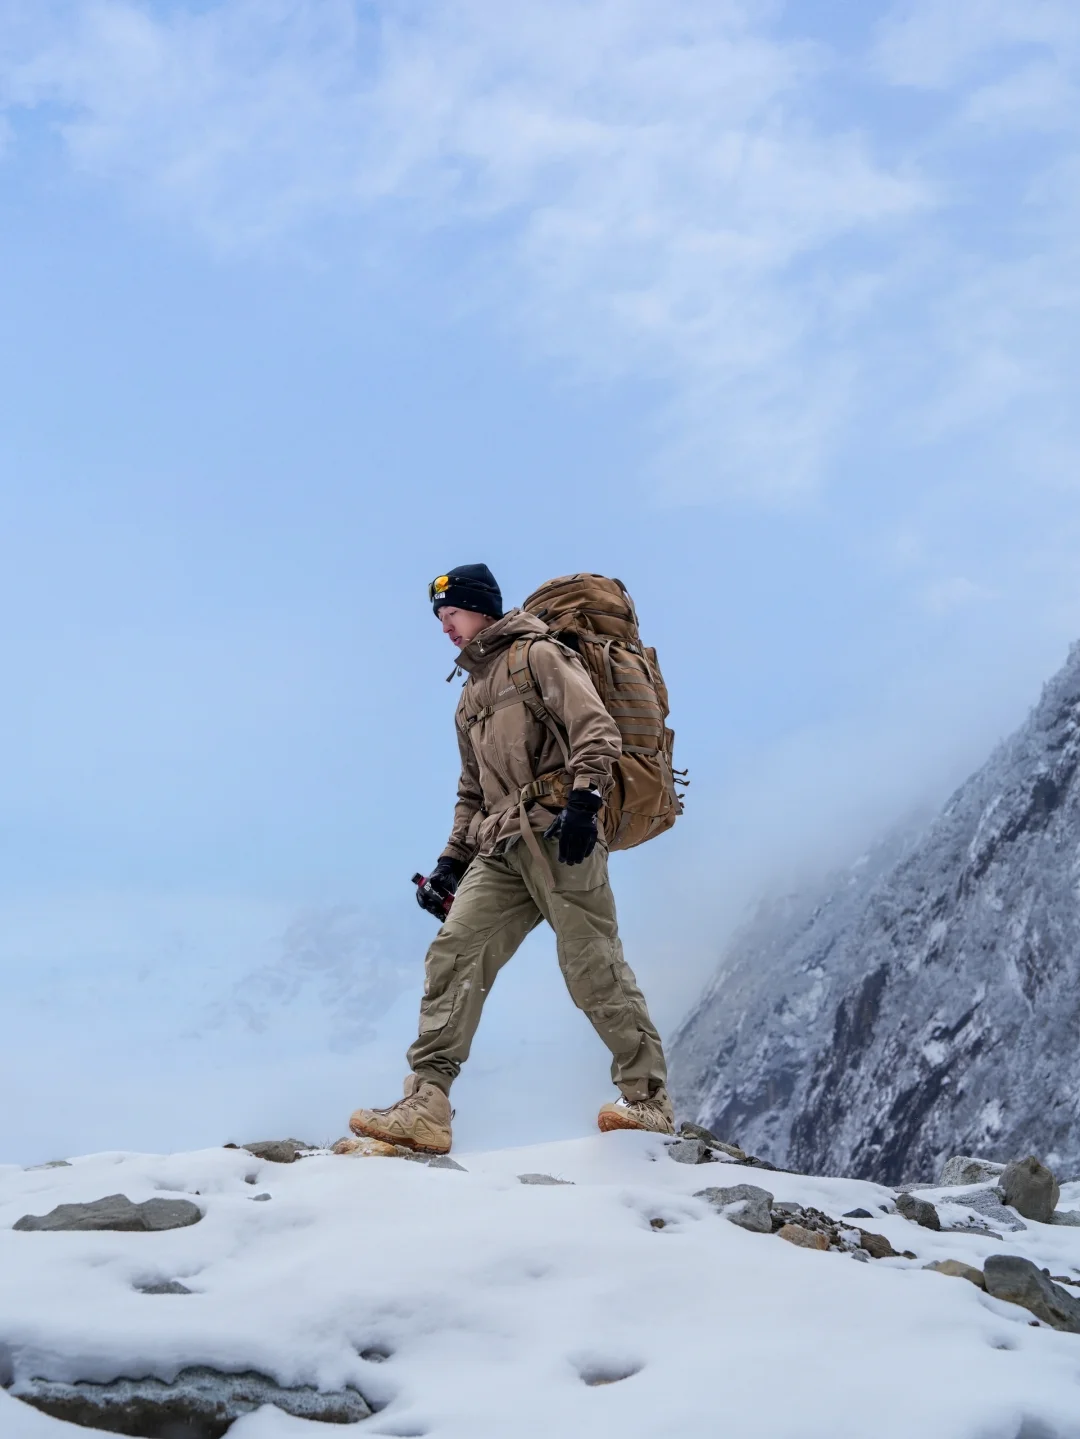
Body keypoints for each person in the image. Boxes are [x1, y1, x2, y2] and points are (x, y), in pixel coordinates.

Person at [347, 563, 673, 1154]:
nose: (445, 628)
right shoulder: (469, 693)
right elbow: (472, 791)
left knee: (591, 963)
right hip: (498, 845)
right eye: (440, 620)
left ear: (481, 607)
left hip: (558, 830)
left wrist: (585, 801)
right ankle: (427, 1102)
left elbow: (596, 729)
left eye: (452, 614)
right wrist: (450, 862)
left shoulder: (538, 656)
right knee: (454, 953)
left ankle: (648, 1099)